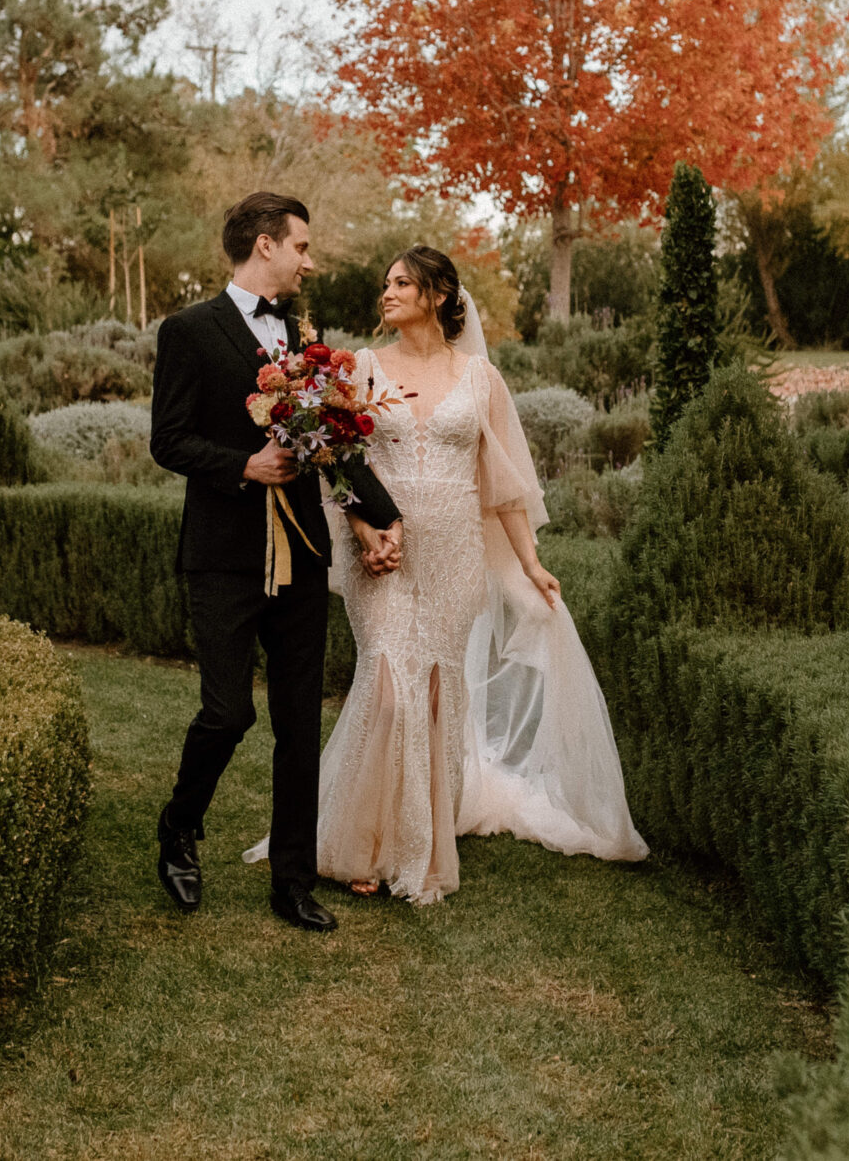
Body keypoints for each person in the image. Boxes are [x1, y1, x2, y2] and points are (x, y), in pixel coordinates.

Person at [295, 244, 647, 905]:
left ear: (436, 295)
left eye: (401, 282)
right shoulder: (362, 368)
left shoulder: (481, 379)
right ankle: (361, 845)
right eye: (385, 281)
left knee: (432, 696)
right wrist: (365, 530)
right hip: (386, 551)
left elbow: (504, 486)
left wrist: (532, 563)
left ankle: (417, 846)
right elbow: (335, 461)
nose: (387, 292)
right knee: (389, 685)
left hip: (455, 552)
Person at [148, 191, 404, 933]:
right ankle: (179, 827)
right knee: (228, 711)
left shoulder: (303, 335)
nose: (309, 260)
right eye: (301, 246)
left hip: (303, 552)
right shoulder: (189, 330)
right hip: (224, 556)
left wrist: (384, 516)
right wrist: (243, 465)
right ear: (265, 244)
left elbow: (333, 442)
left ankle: (293, 880)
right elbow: (167, 440)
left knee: (299, 723)